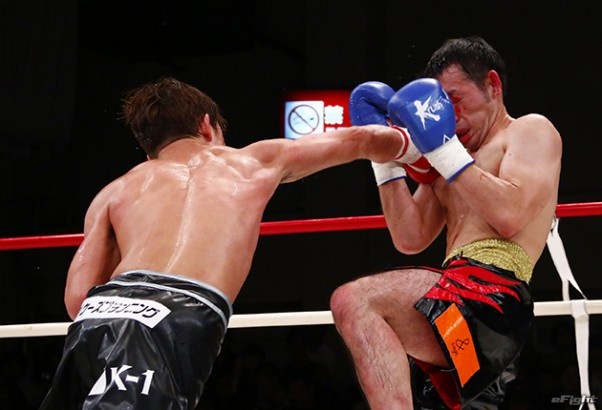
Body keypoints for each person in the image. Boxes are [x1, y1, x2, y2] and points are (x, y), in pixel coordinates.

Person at [39, 77, 408, 409]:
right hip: (173, 317)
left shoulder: (115, 191)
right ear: (206, 125)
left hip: (97, 316)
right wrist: (411, 140)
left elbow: (77, 298)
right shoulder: (249, 161)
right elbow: (361, 140)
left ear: (148, 147)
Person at [330, 36, 562, 409]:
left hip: (492, 297)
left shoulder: (529, 131)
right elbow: (409, 237)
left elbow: (509, 215)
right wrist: (384, 159)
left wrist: (442, 149)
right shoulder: (450, 156)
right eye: (440, 107)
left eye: (455, 100)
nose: (450, 117)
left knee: (354, 299)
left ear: (492, 85)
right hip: (454, 305)